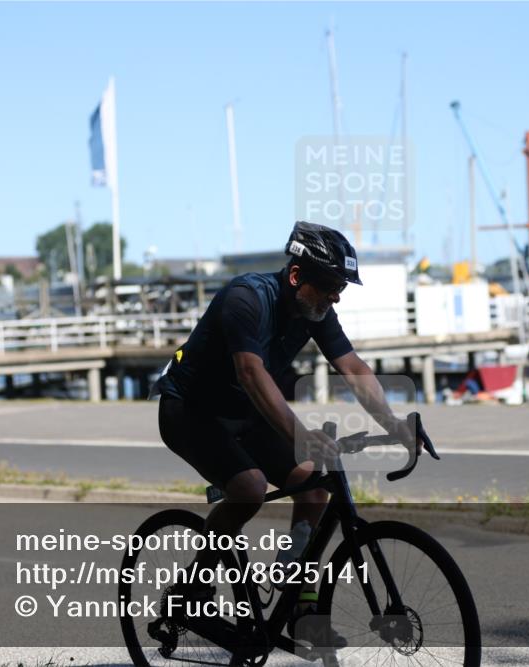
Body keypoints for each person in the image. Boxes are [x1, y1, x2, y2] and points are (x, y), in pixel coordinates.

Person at [155, 221, 414, 639]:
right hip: (191, 412)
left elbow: (352, 368)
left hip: (245, 412)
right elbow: (251, 372)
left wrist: (396, 425)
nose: (337, 295)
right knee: (250, 488)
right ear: (297, 276)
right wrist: (300, 435)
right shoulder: (246, 298)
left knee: (315, 486)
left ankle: (300, 602)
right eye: (331, 284)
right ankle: (194, 588)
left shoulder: (316, 310)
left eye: (341, 287)